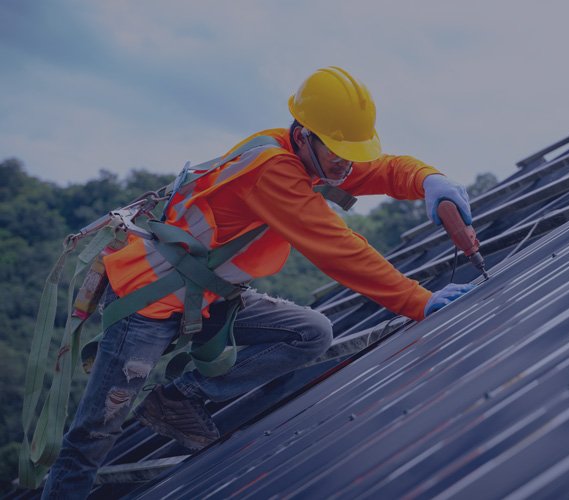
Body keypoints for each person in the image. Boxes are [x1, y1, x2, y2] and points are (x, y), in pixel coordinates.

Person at [41, 66, 475, 499]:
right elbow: (337, 248)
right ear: (305, 134)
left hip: (207, 296)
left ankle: (178, 399)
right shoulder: (272, 169)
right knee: (94, 434)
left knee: (310, 333)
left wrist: (427, 178)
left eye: (351, 152)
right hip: (148, 301)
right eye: (339, 152)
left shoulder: (312, 155)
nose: (346, 164)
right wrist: (418, 300)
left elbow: (379, 169)